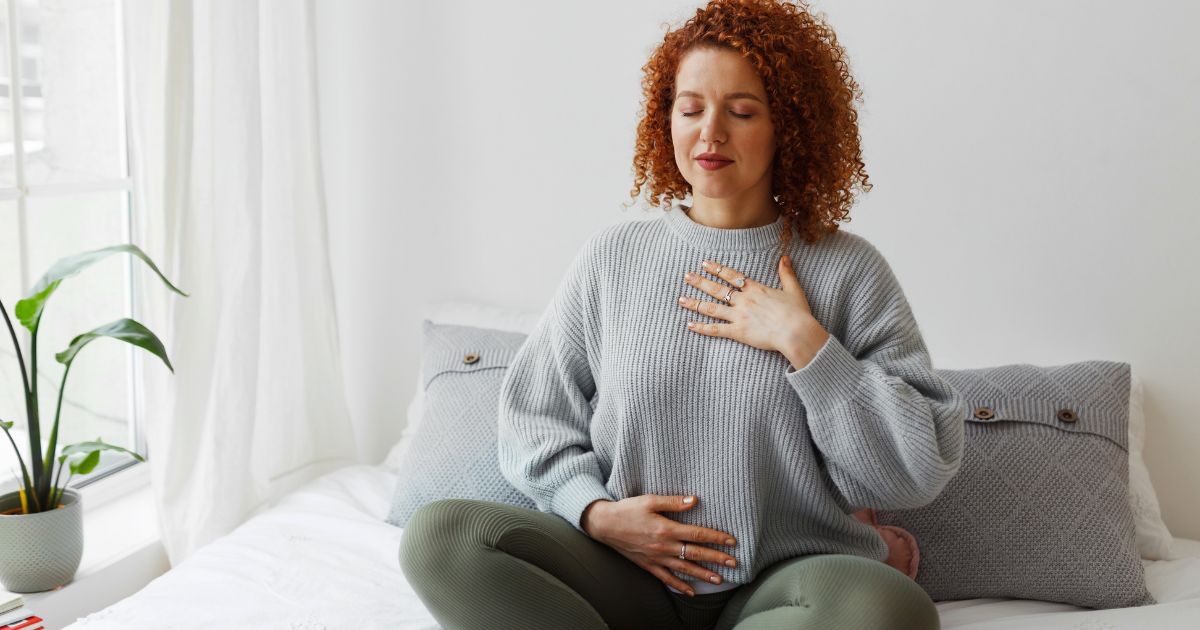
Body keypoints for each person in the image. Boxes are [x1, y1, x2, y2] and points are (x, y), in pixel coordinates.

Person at [399, 0, 966, 628]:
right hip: (622, 575)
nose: (711, 133)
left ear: (789, 126)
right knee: (444, 537)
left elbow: (918, 469)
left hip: (783, 585)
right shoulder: (613, 259)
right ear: (665, 118)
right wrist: (593, 512)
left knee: (889, 609)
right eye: (691, 108)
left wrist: (805, 343)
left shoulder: (849, 270)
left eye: (742, 111)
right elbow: (534, 415)